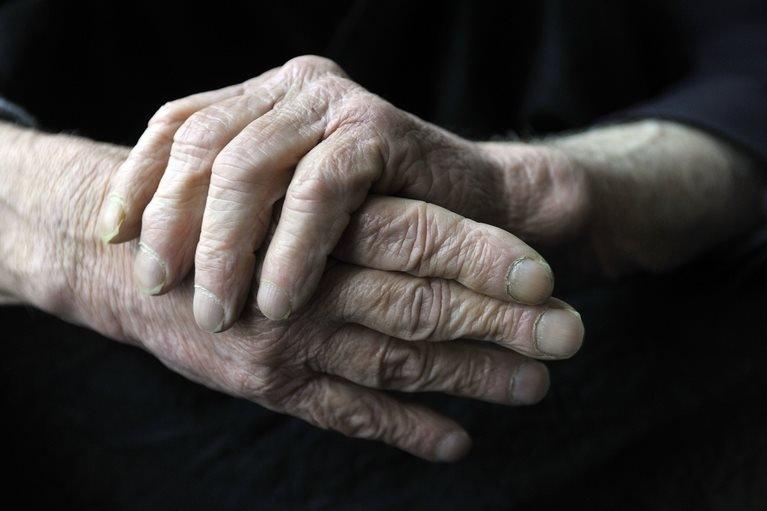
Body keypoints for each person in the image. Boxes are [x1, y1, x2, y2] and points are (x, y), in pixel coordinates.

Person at [1, 0, 766, 508]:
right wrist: (84, 232)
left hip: (607, 334)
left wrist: (550, 188)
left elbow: (746, 61)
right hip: (79, 387)